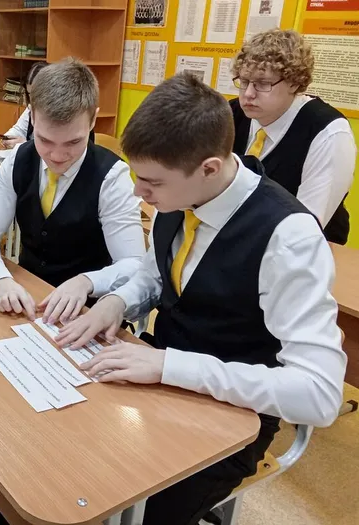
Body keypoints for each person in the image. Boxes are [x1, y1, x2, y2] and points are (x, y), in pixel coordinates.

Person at [55, 73, 346, 525]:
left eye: (151, 182)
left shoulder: (288, 238)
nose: (138, 193)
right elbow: (154, 275)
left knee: (133, 507)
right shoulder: (180, 197)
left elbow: (320, 395)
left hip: (233, 419)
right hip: (159, 376)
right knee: (63, 459)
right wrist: (117, 302)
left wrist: (170, 366)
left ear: (209, 168)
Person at [0, 58, 145, 325]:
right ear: (32, 116)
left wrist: (87, 281)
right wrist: (1, 280)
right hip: (27, 299)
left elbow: (133, 263)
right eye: (44, 140)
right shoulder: (18, 160)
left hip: (87, 313)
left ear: (93, 119)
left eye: (73, 142)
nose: (57, 156)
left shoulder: (112, 177)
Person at [229, 29, 356, 245]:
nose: (248, 93)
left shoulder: (328, 132)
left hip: (306, 251)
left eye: (263, 83)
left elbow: (306, 226)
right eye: (244, 81)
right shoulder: (230, 114)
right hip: (237, 240)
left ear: (295, 83)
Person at [1, 61, 95, 148]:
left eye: (38, 94)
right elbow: (19, 130)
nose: (33, 100)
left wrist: (24, 145)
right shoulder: (31, 108)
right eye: (30, 94)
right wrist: (8, 138)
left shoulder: (65, 114)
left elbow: (55, 148)